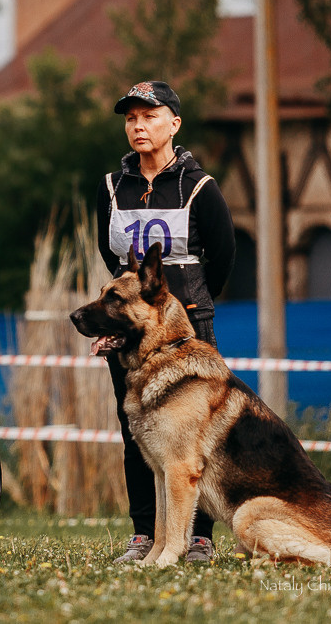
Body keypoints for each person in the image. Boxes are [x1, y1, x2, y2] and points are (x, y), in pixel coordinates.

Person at [96, 80, 235, 564]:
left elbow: (222, 257)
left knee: (196, 429)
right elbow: (109, 252)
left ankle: (199, 537)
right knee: (136, 425)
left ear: (174, 124)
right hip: (130, 331)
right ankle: (143, 534)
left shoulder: (200, 188)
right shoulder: (112, 187)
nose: (138, 125)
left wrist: (187, 305)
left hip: (188, 328)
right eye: (131, 118)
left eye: (149, 116)